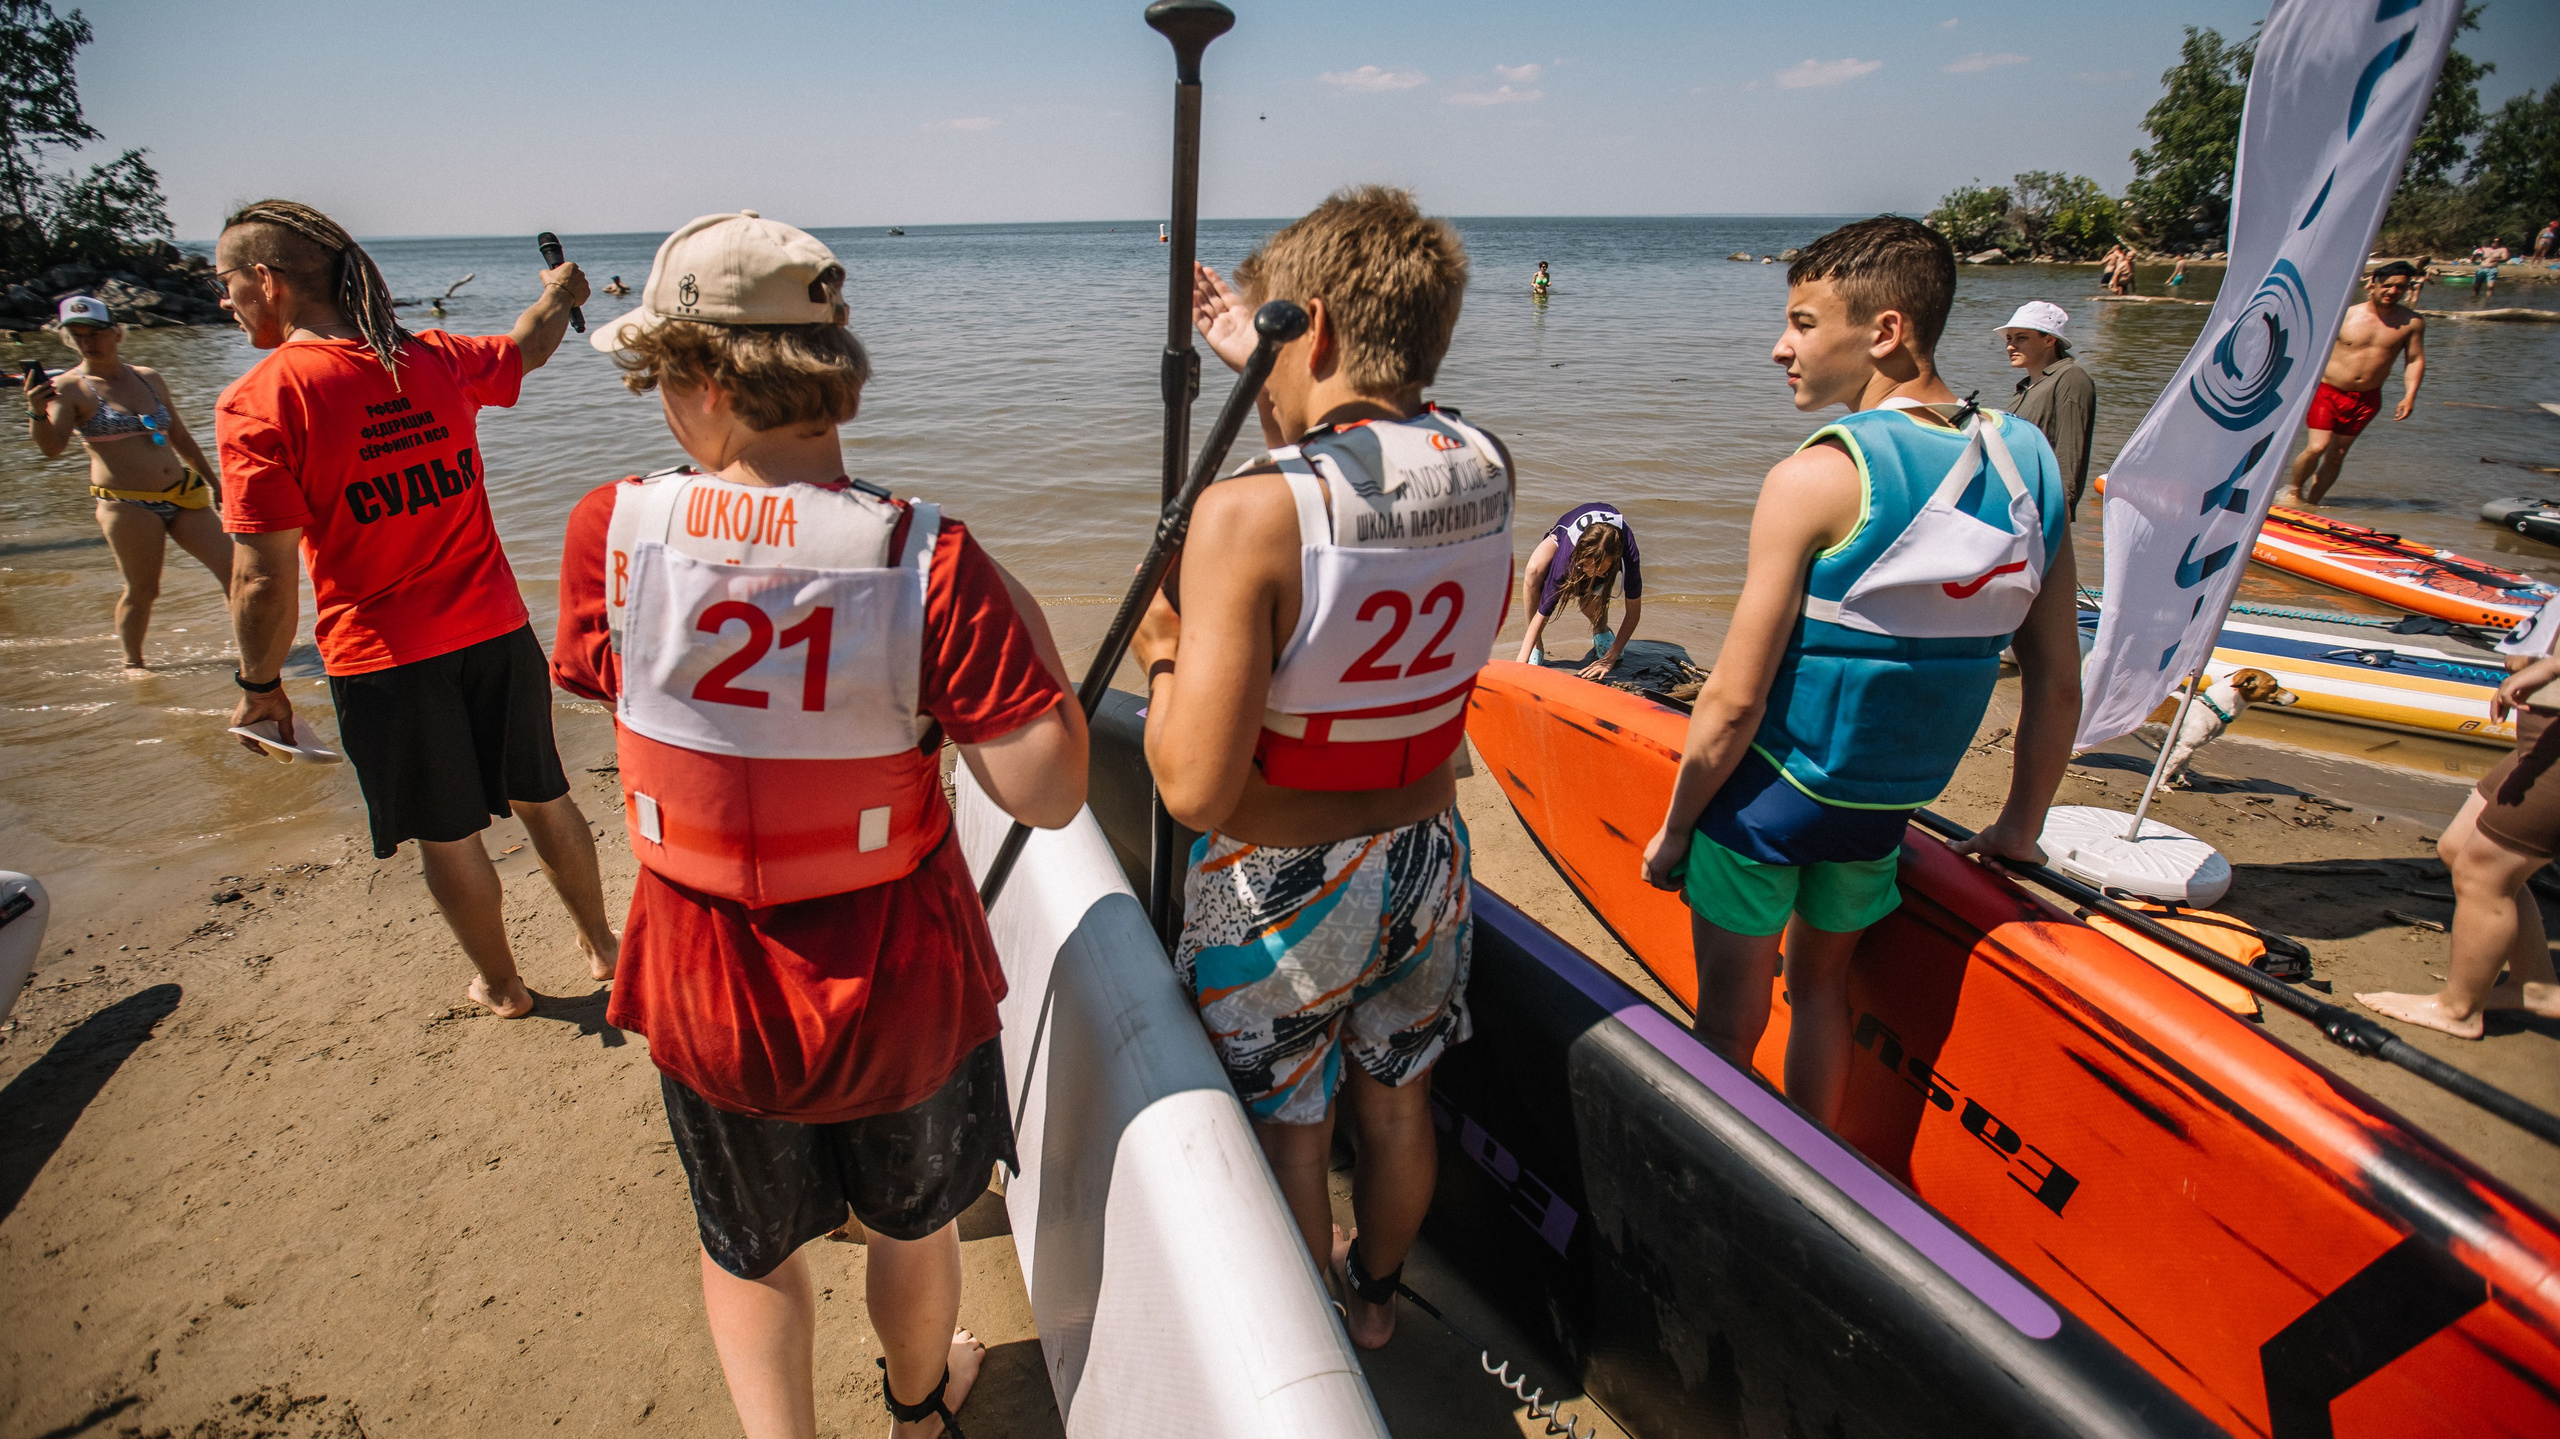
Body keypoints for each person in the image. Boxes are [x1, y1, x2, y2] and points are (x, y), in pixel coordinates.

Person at [557, 211, 1086, 1439]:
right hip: (895, 986)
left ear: (701, 382)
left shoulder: (611, 528)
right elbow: (1048, 788)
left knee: (747, 1248)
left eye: (656, 380)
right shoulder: (927, 556)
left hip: (702, 979)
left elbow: (594, 677)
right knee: (911, 1222)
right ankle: (917, 1408)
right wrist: (1007, 604)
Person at [1149, 187, 1504, 1350]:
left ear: (1320, 333)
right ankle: (1378, 1299)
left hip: (1285, 879)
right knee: (1399, 1102)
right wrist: (1264, 356)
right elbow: (1354, 476)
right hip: (1428, 857)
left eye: (1272, 337)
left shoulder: (1246, 510)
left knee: (1292, 1128)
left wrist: (1161, 658)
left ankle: (1302, 1354)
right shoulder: (1483, 460)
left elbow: (1194, 790)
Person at [1637, 216, 2080, 1128]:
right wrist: (2018, 828)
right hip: (1882, 811)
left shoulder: (1819, 475)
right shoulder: (2031, 459)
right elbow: (2056, 678)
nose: (1778, 348)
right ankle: (1820, 1162)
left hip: (1767, 800)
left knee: (1725, 1025)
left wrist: (1676, 829)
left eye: (1801, 322)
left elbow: (1731, 700)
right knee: (1821, 993)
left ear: (1884, 332)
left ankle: (1731, 1182)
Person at [213, 198, 620, 1019]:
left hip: (383, 656)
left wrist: (259, 684)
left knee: (448, 834)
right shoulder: (430, 357)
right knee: (546, 794)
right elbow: (528, 346)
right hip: (496, 631)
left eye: (227, 284)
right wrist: (560, 296)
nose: (225, 301)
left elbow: (262, 579)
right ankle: (606, 947)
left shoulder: (260, 400)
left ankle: (504, 984)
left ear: (269, 280)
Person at [2356, 597, 2560, 1038]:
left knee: (2484, 869)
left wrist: (2545, 669)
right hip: (2541, 737)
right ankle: (2535, 985)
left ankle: (2457, 1009)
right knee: (2458, 846)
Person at [21, 294, 231, 670]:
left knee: (238, 572)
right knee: (144, 590)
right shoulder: (69, 388)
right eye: (78, 335)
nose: (89, 342)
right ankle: (133, 665)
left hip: (182, 493)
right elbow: (52, 449)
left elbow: (180, 436)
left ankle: (256, 651)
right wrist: (37, 413)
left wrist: (216, 482)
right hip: (126, 503)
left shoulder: (148, 377)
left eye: (96, 333)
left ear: (117, 333)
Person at [2285, 260, 2425, 506]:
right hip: (2328, 391)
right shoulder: (2344, 314)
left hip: (2367, 398)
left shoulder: (2411, 322)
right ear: (2373, 283)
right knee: (2318, 447)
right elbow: (2308, 346)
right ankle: (2294, 492)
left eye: (2400, 288)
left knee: (2337, 455)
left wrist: (2409, 395)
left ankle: (2313, 504)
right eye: (2388, 285)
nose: (2393, 291)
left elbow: (2414, 359)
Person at [1515, 503, 1641, 677]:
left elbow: (1633, 613)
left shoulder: (1630, 556)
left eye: (1598, 570)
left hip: (1604, 548)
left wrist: (1609, 659)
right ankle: (1537, 645)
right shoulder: (1567, 556)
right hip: (1565, 533)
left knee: (1587, 602)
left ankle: (1601, 630)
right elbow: (1544, 611)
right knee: (1533, 571)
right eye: (1586, 567)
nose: (1590, 573)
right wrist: (1519, 666)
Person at [1997, 300, 2097, 519]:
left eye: (2021, 338)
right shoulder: (2026, 387)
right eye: (2009, 338)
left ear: (2050, 340)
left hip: (2039, 512)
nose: (2010, 346)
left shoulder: (2071, 378)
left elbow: (2070, 453)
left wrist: (2060, 516)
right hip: (2014, 507)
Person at [2473, 236, 2509, 302]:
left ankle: (2488, 300)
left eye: (2497, 241)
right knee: (2476, 286)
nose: (2495, 242)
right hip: (2481, 268)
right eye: (2494, 241)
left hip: (2492, 269)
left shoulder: (2503, 249)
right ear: (2490, 241)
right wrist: (2476, 257)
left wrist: (2497, 259)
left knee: (2491, 286)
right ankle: (2475, 298)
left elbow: (2505, 258)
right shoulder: (2484, 249)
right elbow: (2476, 255)